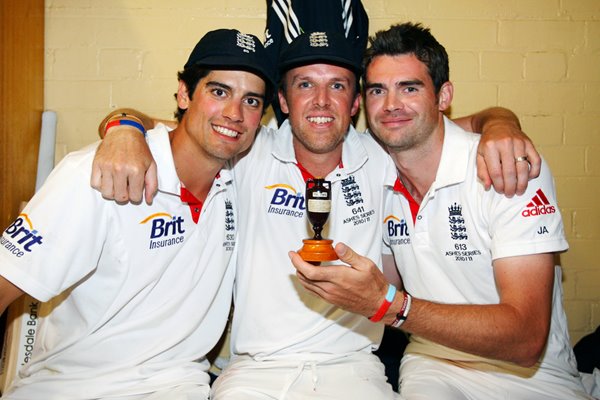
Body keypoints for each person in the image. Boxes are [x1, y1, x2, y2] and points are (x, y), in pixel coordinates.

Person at [90, 28, 543, 398]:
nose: (322, 101)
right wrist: (123, 129)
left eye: (338, 86)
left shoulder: (382, 152)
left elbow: (449, 127)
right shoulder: (244, 149)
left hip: (356, 372)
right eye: (305, 84)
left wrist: (502, 121)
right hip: (254, 374)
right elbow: (170, 126)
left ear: (354, 104)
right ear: (283, 103)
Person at [290, 22, 591, 399]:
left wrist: (392, 307)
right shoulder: (374, 166)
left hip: (531, 375)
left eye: (410, 88)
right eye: (378, 91)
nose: (391, 105)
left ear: (443, 95)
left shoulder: (506, 165)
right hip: (433, 362)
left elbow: (527, 338)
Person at [0, 28, 275, 399]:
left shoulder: (240, 175)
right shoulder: (98, 174)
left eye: (252, 101)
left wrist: (125, 122)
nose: (234, 114)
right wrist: (123, 131)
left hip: (180, 386)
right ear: (184, 92)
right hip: (72, 389)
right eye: (219, 91)